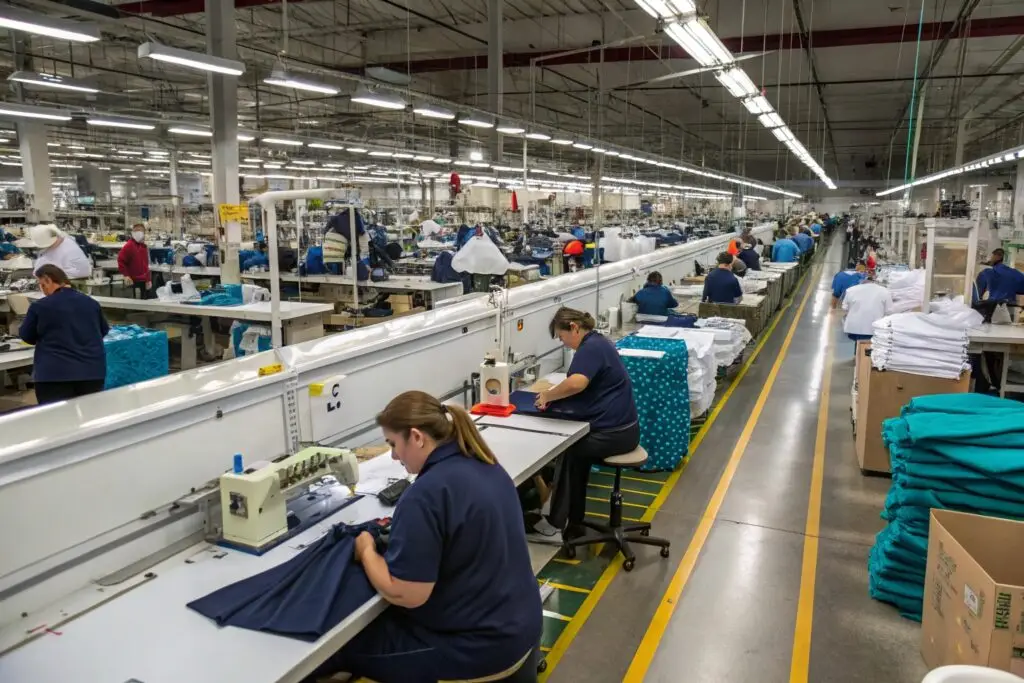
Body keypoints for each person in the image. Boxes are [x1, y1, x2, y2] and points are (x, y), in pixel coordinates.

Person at [309, 392, 542, 682]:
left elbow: (405, 594)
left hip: (479, 649)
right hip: (521, 625)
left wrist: (367, 550)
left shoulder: (425, 495)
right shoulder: (486, 464)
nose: (394, 456)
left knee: (337, 649)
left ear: (417, 437)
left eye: (394, 445)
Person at [534, 308, 639, 539]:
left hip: (615, 434)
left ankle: (557, 522)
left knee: (569, 450)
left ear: (574, 327)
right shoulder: (598, 342)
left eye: (562, 337)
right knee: (574, 451)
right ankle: (573, 520)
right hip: (623, 428)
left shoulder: (590, 347)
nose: (564, 344)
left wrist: (548, 395)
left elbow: (576, 383)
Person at [19, 264, 109, 405]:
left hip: (54, 375)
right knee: (91, 419)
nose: (43, 290)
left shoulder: (40, 306)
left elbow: (26, 336)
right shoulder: (91, 303)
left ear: (48, 279)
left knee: (56, 421)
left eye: (42, 285)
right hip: (91, 372)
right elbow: (103, 331)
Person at [841, 270, 893, 342]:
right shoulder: (885, 291)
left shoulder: (850, 290)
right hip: (875, 328)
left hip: (854, 328)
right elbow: (889, 311)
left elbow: (844, 308)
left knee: (858, 347)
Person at [117, 223, 153, 299]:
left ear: (144, 233)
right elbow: (121, 260)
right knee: (139, 302)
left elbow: (145, 266)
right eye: (135, 231)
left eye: (140, 231)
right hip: (134, 280)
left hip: (143, 280)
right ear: (132, 233)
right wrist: (126, 275)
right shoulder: (129, 245)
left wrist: (148, 279)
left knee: (146, 301)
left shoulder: (143, 246)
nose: (138, 233)